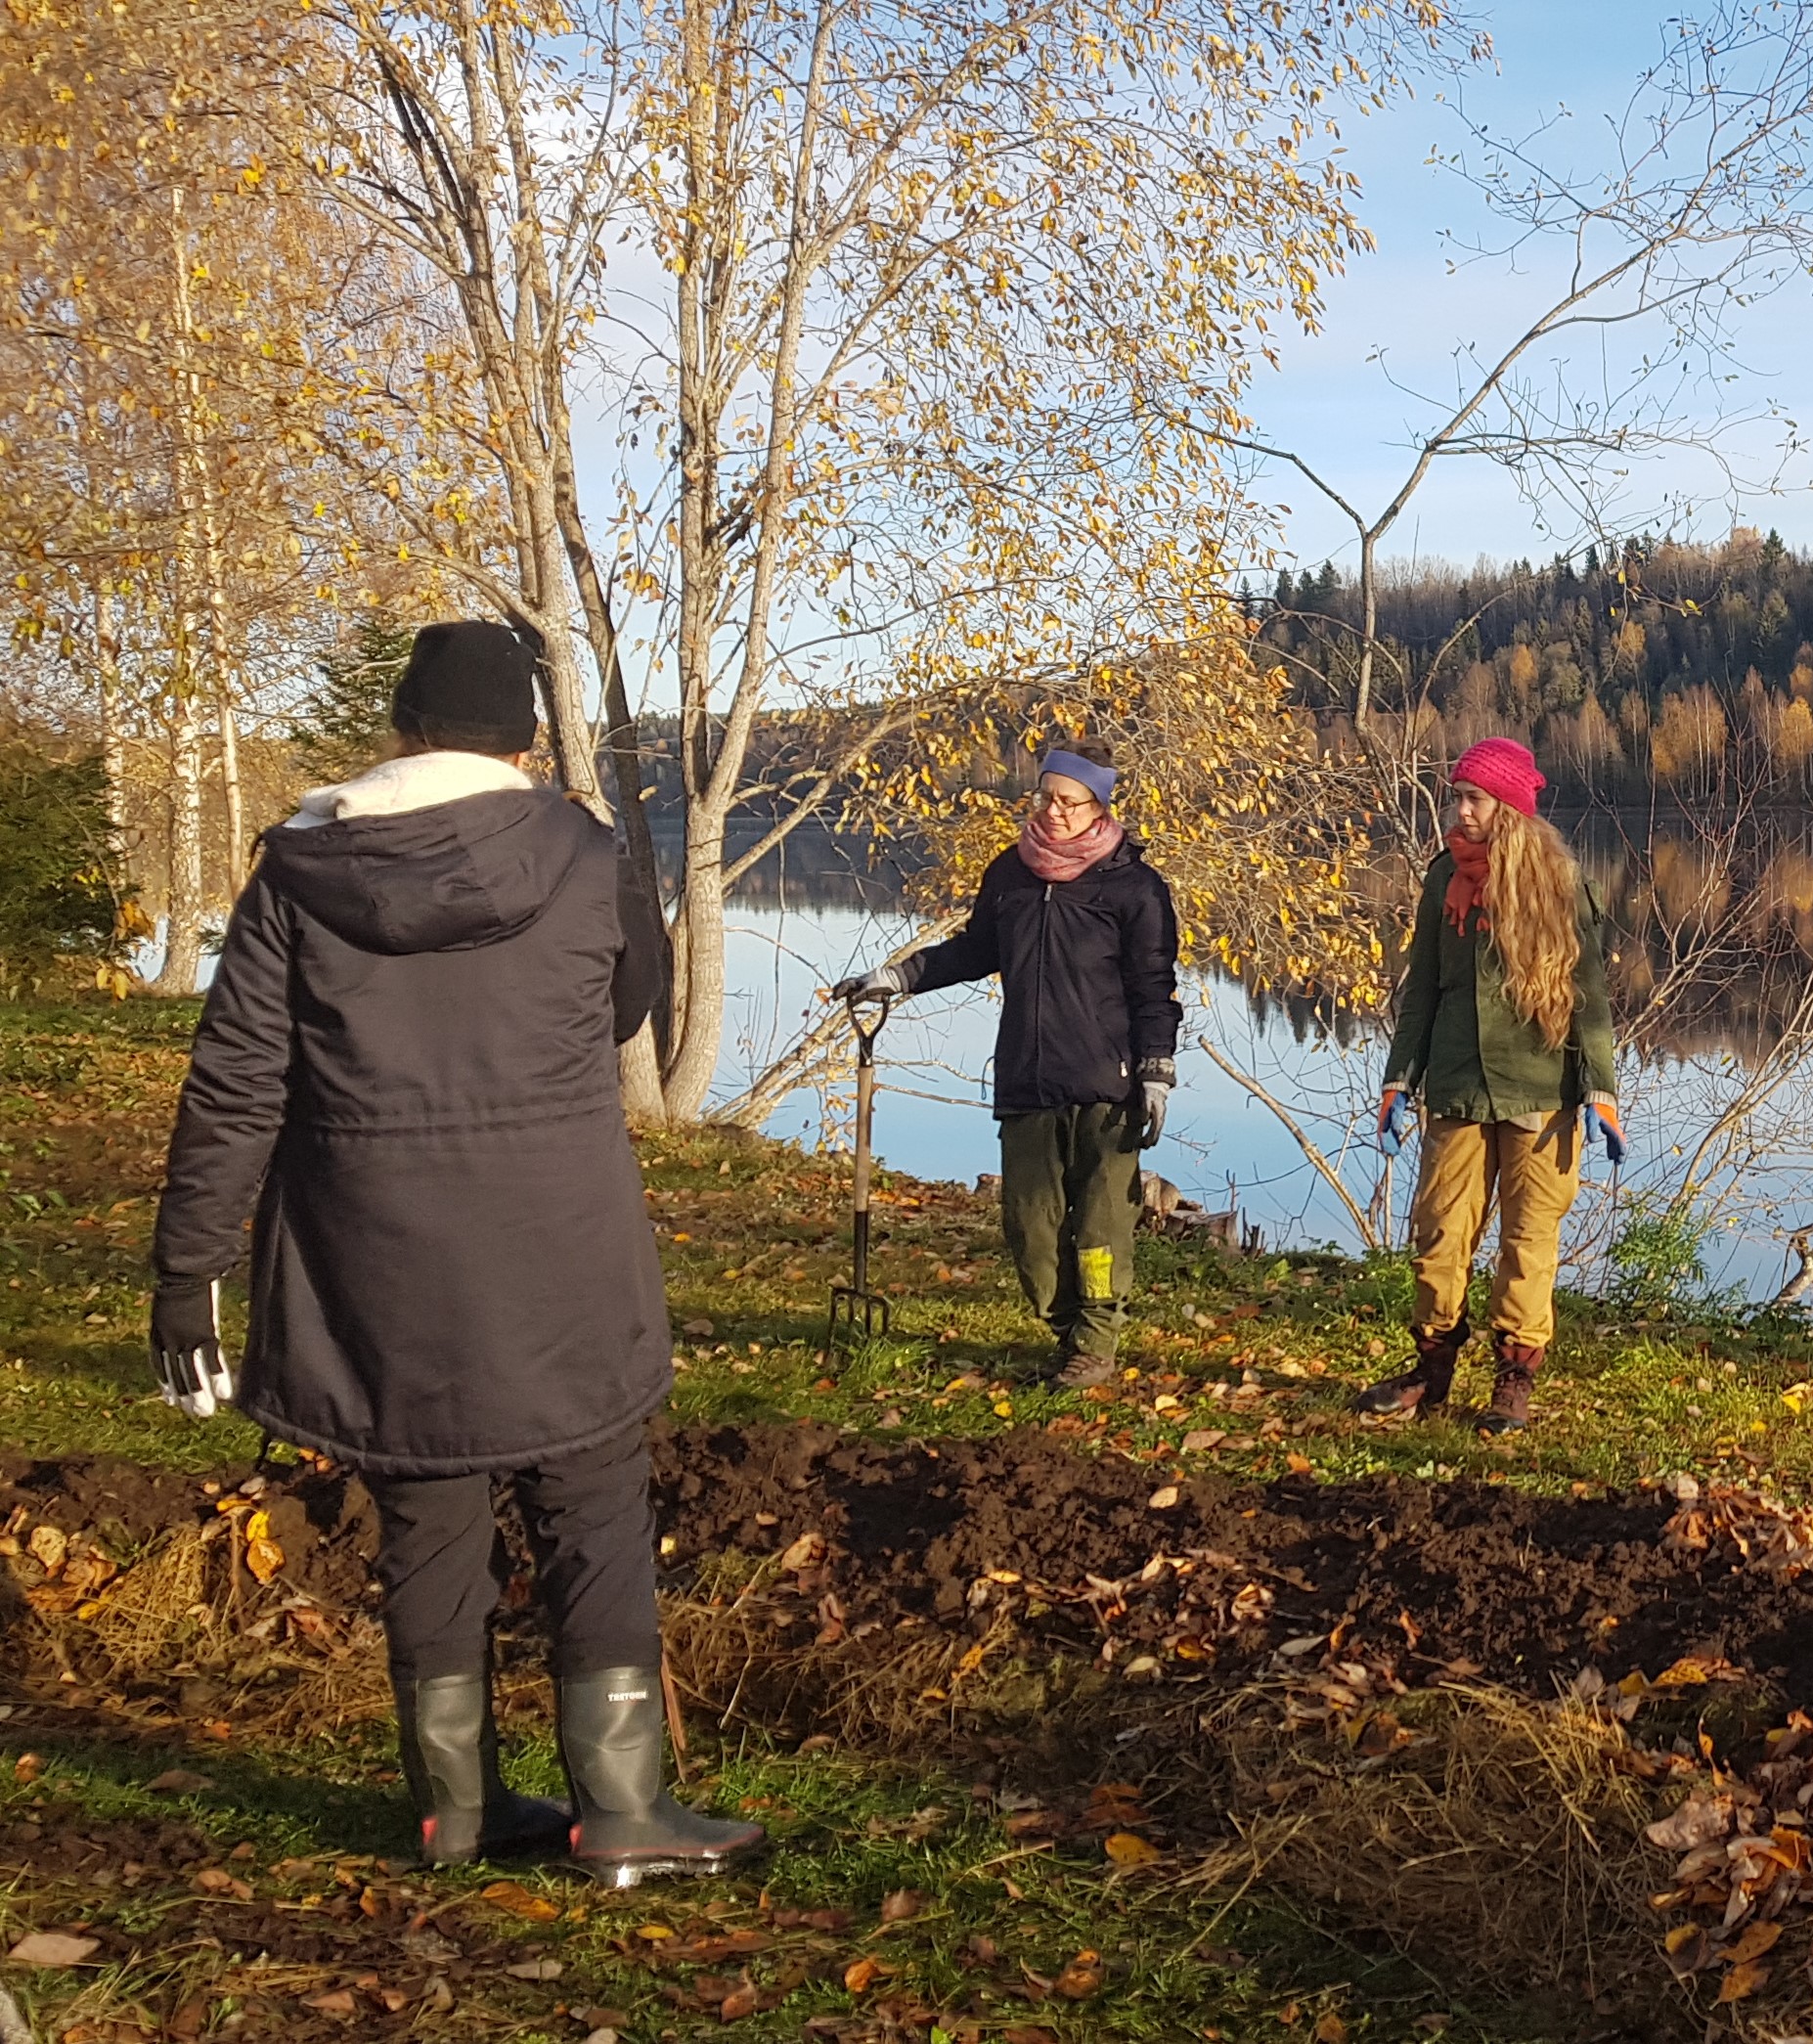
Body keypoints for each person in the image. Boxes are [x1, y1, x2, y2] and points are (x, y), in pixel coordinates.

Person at [152, 620, 764, 1885]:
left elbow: (235, 1082)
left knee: (423, 1510)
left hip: (374, 1254)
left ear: (403, 725)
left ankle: (458, 1811)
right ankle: (626, 1812)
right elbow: (628, 1003)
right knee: (591, 1504)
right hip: (558, 1237)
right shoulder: (587, 856)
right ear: (527, 737)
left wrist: (186, 1270)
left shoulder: (298, 871)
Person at [837, 742, 1179, 1388]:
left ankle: (1095, 1345)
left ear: (1097, 806)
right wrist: (897, 975)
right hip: (1027, 1079)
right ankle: (1066, 1328)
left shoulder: (1134, 887)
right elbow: (974, 950)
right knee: (1029, 1232)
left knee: (1102, 1231)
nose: (1052, 811)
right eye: (1044, 796)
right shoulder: (1011, 873)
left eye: (1067, 801)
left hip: (1109, 1086)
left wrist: (1157, 1070)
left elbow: (1154, 989)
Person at [1352, 738, 1619, 1435]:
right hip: (1456, 1085)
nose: (1460, 810)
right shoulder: (1444, 879)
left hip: (1543, 1094)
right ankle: (1430, 1371)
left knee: (1528, 1241)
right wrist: (1397, 1080)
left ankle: (1513, 1381)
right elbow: (1423, 993)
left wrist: (1600, 1090)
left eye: (1473, 798)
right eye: (1457, 797)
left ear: (1508, 808)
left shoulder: (1563, 884)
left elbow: (1589, 998)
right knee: (1440, 1233)